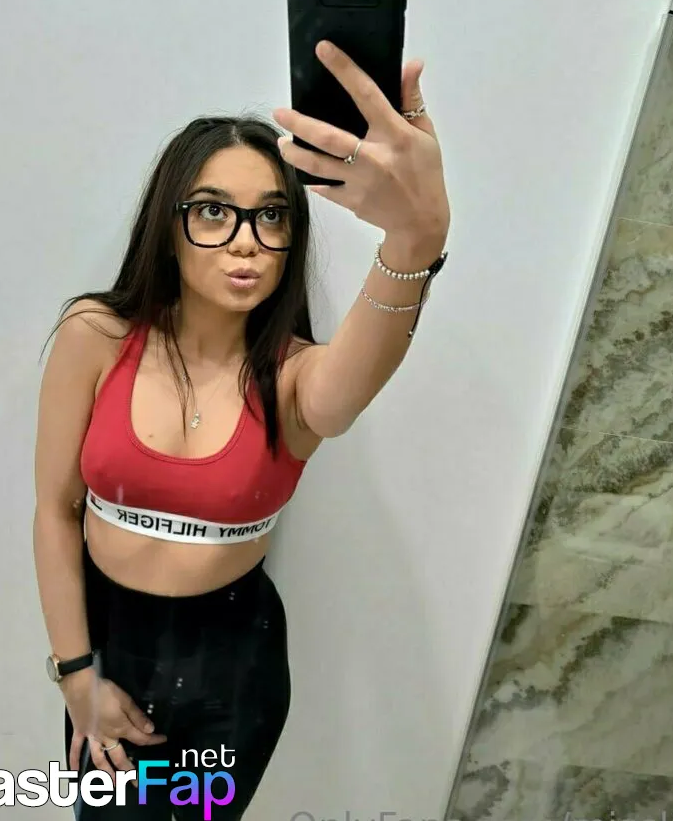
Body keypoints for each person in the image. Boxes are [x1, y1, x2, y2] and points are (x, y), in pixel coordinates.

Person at [33, 40, 450, 818]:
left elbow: (351, 387)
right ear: (169, 224)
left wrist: (415, 240)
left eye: (271, 215)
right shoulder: (96, 336)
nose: (246, 239)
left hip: (232, 676)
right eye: (213, 212)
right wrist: (75, 672)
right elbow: (56, 512)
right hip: (108, 647)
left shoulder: (297, 381)